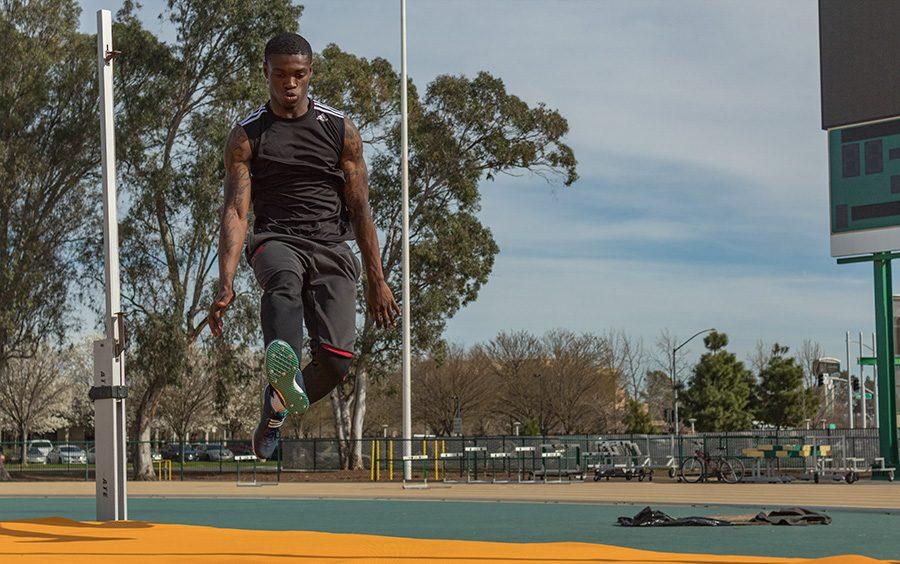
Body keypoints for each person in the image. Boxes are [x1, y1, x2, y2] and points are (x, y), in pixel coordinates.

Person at [208, 32, 399, 459]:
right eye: (280, 75)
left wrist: (377, 280)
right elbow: (236, 212)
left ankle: (274, 408)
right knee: (283, 281)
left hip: (331, 245)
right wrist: (226, 281)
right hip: (276, 239)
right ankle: (284, 363)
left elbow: (361, 209)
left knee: (336, 362)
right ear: (266, 74)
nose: (289, 84)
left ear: (310, 74)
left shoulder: (340, 131)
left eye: (298, 75)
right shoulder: (247, 137)